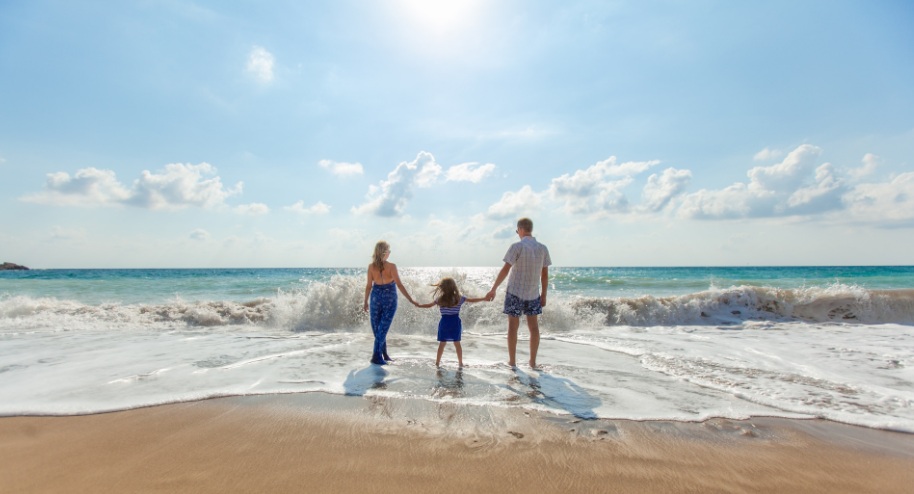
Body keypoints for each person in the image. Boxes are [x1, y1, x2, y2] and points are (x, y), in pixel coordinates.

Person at [485, 217, 552, 368]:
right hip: (533, 294)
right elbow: (545, 275)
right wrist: (544, 295)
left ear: (521, 229)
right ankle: (532, 362)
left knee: (512, 328)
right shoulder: (543, 248)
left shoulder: (517, 247)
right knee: (534, 328)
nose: (518, 233)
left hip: (515, 292)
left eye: (517, 231)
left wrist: (493, 289)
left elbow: (505, 269)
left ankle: (513, 362)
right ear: (531, 229)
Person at [363, 241, 416, 365]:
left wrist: (365, 301)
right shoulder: (391, 266)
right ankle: (376, 356)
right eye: (389, 251)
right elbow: (399, 284)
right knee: (382, 328)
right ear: (384, 252)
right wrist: (410, 299)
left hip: (375, 297)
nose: (390, 253)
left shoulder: (371, 267)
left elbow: (368, 286)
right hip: (389, 298)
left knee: (379, 329)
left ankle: (384, 354)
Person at [414, 277, 486, 367]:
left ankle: (437, 362)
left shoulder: (440, 299)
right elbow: (472, 300)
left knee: (442, 343)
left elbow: (429, 305)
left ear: (442, 288)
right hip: (455, 322)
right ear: (454, 287)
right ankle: (460, 363)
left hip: (444, 322)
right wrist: (484, 298)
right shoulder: (459, 298)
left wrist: (419, 305)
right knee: (457, 343)